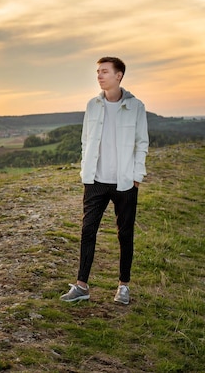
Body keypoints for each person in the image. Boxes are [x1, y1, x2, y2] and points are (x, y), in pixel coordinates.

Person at [60, 57, 149, 305]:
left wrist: (136, 177)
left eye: (105, 72)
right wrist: (85, 173)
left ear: (119, 75)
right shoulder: (93, 105)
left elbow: (142, 143)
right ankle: (81, 286)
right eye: (98, 72)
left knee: (125, 234)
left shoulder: (136, 106)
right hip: (95, 181)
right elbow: (85, 141)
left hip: (125, 182)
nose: (99, 76)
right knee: (88, 231)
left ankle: (123, 286)